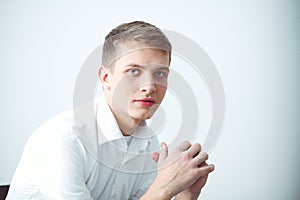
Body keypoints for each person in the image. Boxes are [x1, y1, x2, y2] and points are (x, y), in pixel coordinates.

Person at [6, 21, 214, 200]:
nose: (149, 86)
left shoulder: (147, 141)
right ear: (106, 78)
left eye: (160, 73)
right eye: (134, 71)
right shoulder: (62, 138)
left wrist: (183, 195)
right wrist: (163, 188)